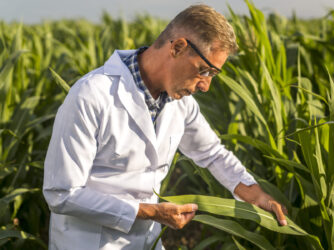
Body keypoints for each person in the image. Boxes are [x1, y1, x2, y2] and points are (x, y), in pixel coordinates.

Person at [43, 4, 287, 250]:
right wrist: (151, 212)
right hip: (88, 242)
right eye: (204, 71)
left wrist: (256, 194)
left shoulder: (181, 104)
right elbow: (62, 193)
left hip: (148, 240)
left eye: (214, 74)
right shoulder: (92, 95)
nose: (206, 86)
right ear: (178, 47)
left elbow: (212, 153)